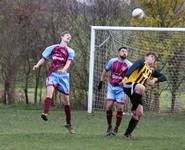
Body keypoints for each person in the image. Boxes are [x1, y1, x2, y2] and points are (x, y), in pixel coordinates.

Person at [33, 31, 75, 134]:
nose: (69, 37)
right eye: (67, 35)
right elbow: (43, 58)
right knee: (49, 93)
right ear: (62, 37)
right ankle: (45, 113)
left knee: (67, 101)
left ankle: (68, 123)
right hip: (53, 74)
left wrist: (64, 69)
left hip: (64, 76)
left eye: (70, 37)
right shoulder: (52, 48)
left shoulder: (70, 51)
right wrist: (37, 65)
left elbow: (69, 62)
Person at [122, 52, 167, 139]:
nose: (153, 59)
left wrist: (155, 80)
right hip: (129, 85)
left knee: (139, 113)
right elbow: (131, 69)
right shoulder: (141, 62)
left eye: (154, 58)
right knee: (142, 87)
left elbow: (164, 77)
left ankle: (127, 134)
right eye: (151, 56)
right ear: (146, 57)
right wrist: (125, 78)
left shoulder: (152, 70)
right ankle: (133, 108)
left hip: (137, 91)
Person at [98, 47, 132, 136]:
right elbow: (105, 70)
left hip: (121, 89)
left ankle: (116, 128)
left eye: (126, 52)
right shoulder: (112, 61)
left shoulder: (129, 65)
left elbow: (131, 77)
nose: (124, 53)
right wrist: (101, 81)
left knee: (120, 108)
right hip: (111, 87)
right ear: (118, 52)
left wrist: (124, 83)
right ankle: (109, 127)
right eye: (122, 51)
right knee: (109, 106)